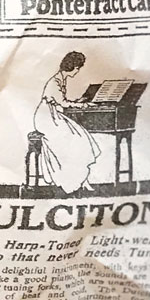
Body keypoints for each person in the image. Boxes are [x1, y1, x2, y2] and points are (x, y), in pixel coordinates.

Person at [32, 50, 101, 193]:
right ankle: (74, 180)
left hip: (54, 116)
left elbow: (60, 102)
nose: (77, 71)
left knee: (81, 136)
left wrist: (77, 102)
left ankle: (82, 180)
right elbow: (62, 103)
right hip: (47, 118)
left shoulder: (60, 79)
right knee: (76, 139)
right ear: (72, 67)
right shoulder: (55, 81)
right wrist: (83, 105)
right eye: (78, 68)